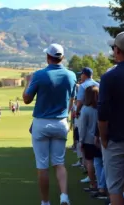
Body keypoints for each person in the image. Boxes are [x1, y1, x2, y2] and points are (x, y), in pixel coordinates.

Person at [23, 43, 76, 205]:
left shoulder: (39, 75)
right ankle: (64, 196)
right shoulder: (71, 75)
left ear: (48, 57)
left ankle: (45, 202)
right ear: (62, 58)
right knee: (59, 163)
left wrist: (28, 82)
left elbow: (26, 99)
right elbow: (71, 100)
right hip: (61, 122)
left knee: (43, 166)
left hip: (41, 123)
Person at [98, 31, 124, 205]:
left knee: (115, 190)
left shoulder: (109, 77)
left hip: (116, 141)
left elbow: (103, 113)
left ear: (117, 51)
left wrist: (103, 138)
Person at [78, 86, 101, 192]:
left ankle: (93, 184)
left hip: (88, 140)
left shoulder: (85, 109)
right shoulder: (100, 108)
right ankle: (101, 184)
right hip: (100, 139)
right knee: (100, 163)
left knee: (89, 162)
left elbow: (82, 127)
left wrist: (81, 141)